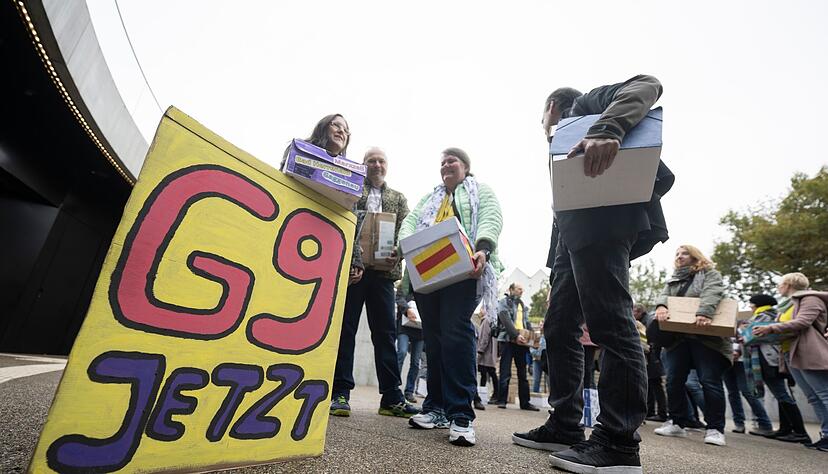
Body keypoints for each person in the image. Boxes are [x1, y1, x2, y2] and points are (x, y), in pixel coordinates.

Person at [513, 75, 672, 474]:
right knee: (559, 326)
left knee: (611, 323)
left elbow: (647, 84)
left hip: (605, 221)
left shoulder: (585, 105)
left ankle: (618, 442)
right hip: (574, 238)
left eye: (543, 116)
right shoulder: (563, 148)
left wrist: (608, 128)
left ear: (552, 109)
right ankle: (565, 424)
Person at [400, 148, 503, 447]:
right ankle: (435, 407)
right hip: (426, 272)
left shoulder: (480, 191)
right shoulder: (429, 198)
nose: (446, 165)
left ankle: (460, 414)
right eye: (442, 162)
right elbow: (411, 222)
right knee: (433, 338)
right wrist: (404, 246)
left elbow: (491, 217)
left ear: (466, 167)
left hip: (464, 269)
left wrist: (483, 247)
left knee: (456, 333)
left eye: (452, 161)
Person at [330, 146, 418, 418]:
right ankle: (340, 393)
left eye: (381, 160)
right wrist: (354, 259)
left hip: (384, 275)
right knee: (346, 331)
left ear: (386, 165)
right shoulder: (353, 190)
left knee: (386, 335)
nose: (376, 165)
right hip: (355, 272)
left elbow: (407, 228)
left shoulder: (398, 198)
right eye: (371, 161)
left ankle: (391, 397)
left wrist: (398, 253)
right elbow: (345, 222)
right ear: (363, 164)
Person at [651, 245, 730, 447]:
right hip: (678, 338)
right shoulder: (673, 279)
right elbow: (664, 295)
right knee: (673, 380)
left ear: (695, 256)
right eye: (677, 254)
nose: (679, 256)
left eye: (684, 253)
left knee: (709, 381)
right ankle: (677, 423)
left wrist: (704, 312)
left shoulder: (710, 274)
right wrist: (661, 306)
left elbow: (713, 292)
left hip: (705, 337)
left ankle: (715, 429)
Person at [753, 272, 828, 450]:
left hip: (809, 351)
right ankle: (826, 434)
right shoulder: (788, 305)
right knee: (813, 397)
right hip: (791, 353)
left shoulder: (810, 299)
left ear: (788, 284)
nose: (778, 287)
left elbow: (803, 322)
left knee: (824, 393)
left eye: (780, 283)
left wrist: (771, 328)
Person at [742, 292, 811, 442]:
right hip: (768, 358)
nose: (750, 307)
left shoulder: (764, 316)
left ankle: (800, 432)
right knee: (780, 394)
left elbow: (752, 334)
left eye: (752, 304)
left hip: (769, 359)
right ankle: (785, 429)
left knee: (782, 394)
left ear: (757, 304)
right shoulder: (769, 315)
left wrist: (744, 333)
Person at [723, 295, 774, 435]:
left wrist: (737, 351)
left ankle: (765, 423)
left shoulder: (745, 321)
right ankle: (739, 423)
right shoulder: (721, 322)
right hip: (726, 361)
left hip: (741, 361)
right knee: (732, 393)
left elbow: (747, 338)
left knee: (747, 392)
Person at [494, 283, 539, 411]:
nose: (521, 291)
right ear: (511, 290)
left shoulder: (522, 305)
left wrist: (533, 339)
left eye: (522, 289)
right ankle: (502, 400)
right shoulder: (504, 302)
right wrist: (515, 335)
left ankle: (525, 403)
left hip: (522, 342)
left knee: (523, 373)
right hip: (508, 340)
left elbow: (527, 323)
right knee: (505, 372)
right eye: (519, 289)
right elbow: (505, 319)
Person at [396, 272, 424, 405]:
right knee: (401, 353)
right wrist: (407, 309)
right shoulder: (405, 283)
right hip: (404, 326)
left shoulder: (426, 286)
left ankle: (409, 391)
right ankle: (394, 386)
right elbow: (399, 298)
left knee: (416, 362)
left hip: (420, 330)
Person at [638, 305, 667, 423]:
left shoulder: (647, 321)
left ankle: (661, 413)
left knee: (655, 386)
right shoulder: (647, 320)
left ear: (639, 312)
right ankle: (652, 412)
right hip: (653, 358)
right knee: (652, 386)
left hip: (652, 358)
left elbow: (650, 339)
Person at [476, 310, 499, 410]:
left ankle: (483, 395)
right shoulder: (493, 320)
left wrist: (480, 350)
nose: (480, 310)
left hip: (486, 353)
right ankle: (494, 394)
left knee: (485, 374)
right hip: (491, 352)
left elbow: (484, 337)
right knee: (490, 373)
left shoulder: (486, 321)